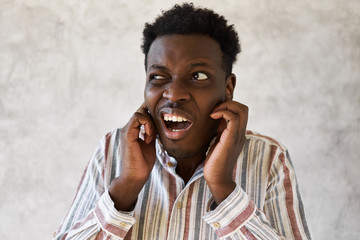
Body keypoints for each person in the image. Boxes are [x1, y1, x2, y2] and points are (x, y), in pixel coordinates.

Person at [54, 3, 311, 240]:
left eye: (198, 75)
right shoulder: (112, 150)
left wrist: (224, 187)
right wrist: (126, 186)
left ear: (228, 88)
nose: (174, 93)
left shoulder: (268, 159)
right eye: (158, 76)